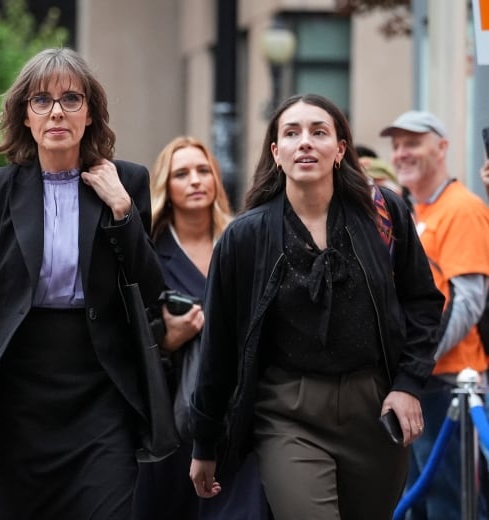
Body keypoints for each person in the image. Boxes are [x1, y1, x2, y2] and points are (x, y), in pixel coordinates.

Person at [0, 47, 164, 519]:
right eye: (41, 101)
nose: (57, 112)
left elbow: (149, 290)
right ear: (25, 116)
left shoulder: (126, 181)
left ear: (91, 113)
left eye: (71, 98)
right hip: (16, 397)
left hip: (101, 390)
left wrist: (123, 211)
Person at [189, 94, 444, 520]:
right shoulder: (245, 237)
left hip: (374, 410)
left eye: (319, 132)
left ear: (340, 148)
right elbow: (219, 347)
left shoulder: (384, 214)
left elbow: (422, 303)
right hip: (287, 414)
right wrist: (205, 442)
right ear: (276, 151)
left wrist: (407, 385)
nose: (305, 142)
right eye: (291, 133)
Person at [133, 136, 271, 520]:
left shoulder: (244, 239)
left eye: (203, 170)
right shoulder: (148, 252)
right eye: (182, 173)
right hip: (170, 417)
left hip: (238, 415)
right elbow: (125, 332)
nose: (195, 180)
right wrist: (167, 339)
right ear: (166, 186)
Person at [380, 110, 489, 520]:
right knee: (420, 502)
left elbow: (468, 301)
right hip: (422, 383)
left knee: (450, 504)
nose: (401, 153)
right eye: (397, 144)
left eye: (412, 143)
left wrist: (415, 365)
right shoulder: (414, 211)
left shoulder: (461, 208)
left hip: (449, 386)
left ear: (442, 148)